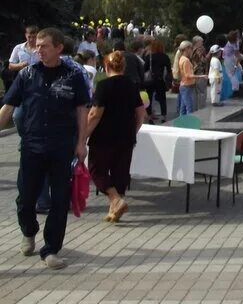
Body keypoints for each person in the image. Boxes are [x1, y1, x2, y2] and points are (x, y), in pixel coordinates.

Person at [0, 28, 89, 269]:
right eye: (37, 46)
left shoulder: (73, 76)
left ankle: (51, 249)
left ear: (59, 48)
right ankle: (28, 231)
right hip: (32, 146)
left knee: (60, 200)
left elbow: (82, 110)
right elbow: (8, 107)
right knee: (25, 199)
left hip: (62, 147)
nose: (38, 50)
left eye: (44, 46)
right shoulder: (27, 74)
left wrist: (81, 142)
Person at [86, 51, 146, 222]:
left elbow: (95, 114)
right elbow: (141, 113)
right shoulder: (132, 84)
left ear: (106, 66)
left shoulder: (104, 85)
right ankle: (114, 208)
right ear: (124, 67)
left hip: (104, 136)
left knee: (97, 170)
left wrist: (84, 135)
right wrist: (133, 131)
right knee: (120, 171)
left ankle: (115, 199)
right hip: (126, 136)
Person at [144, 39, 172, 122]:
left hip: (150, 80)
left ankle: (149, 116)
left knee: (149, 98)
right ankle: (163, 116)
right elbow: (169, 70)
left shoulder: (149, 57)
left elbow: (145, 68)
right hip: (160, 80)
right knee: (162, 99)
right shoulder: (165, 57)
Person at [5, 25, 39, 91]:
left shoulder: (42, 49)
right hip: (22, 80)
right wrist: (20, 65)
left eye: (34, 37)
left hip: (38, 80)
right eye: (29, 37)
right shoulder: (18, 48)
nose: (31, 39)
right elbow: (10, 66)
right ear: (25, 35)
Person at [178, 41, 206, 115]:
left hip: (184, 85)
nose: (192, 50)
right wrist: (201, 76)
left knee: (183, 107)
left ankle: (182, 123)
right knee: (189, 107)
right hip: (186, 86)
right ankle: (188, 124)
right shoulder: (186, 60)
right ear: (187, 49)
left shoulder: (182, 58)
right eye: (191, 48)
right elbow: (188, 75)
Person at [191, 36, 209, 110]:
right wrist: (209, 54)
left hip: (193, 74)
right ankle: (202, 109)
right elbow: (203, 61)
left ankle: (195, 109)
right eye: (201, 42)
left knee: (194, 93)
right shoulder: (199, 50)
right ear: (197, 42)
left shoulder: (191, 50)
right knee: (202, 92)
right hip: (200, 73)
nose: (202, 43)